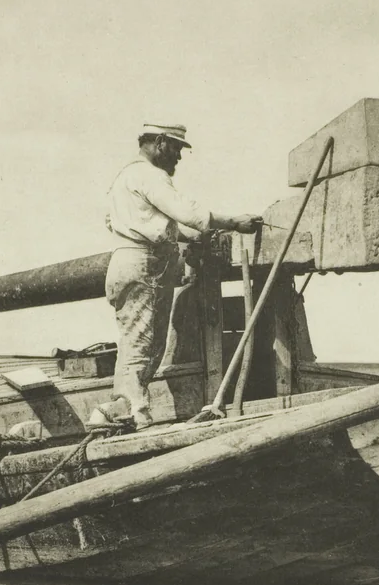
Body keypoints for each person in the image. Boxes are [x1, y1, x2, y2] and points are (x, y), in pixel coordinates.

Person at [91, 123, 261, 430]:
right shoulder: (151, 175)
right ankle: (130, 412)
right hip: (145, 265)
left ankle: (126, 408)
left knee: (134, 340)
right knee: (145, 342)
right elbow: (189, 213)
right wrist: (235, 222)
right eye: (177, 149)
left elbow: (158, 223)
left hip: (125, 261)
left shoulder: (124, 177)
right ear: (159, 143)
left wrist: (195, 235)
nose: (179, 158)